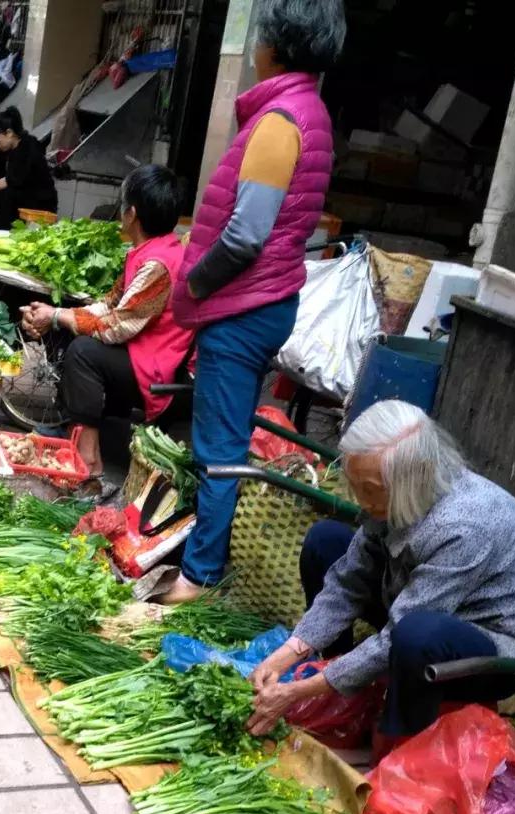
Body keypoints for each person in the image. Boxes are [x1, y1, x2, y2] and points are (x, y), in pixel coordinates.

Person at [161, 0, 345, 603]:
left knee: (219, 445)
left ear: (273, 43)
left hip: (243, 307)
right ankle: (201, 551)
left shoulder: (278, 120)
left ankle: (200, 575)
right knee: (226, 434)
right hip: (267, 298)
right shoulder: (310, 111)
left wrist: (196, 282)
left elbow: (245, 234)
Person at [247, 402, 515, 749]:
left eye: (369, 488)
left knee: (415, 635)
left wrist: (295, 691)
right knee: (326, 543)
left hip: (493, 645)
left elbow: (399, 632)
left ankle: (401, 742)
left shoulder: (465, 525)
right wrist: (290, 652)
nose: (360, 499)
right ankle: (341, 683)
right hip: (419, 602)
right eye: (356, 484)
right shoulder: (396, 497)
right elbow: (349, 580)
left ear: (410, 481)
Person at [20, 165, 193, 476]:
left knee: (84, 351)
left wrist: (58, 316)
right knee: (70, 329)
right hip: (142, 353)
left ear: (132, 214)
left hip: (158, 369)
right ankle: (78, 431)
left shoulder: (158, 264)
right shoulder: (150, 251)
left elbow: (115, 327)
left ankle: (88, 456)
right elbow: (109, 304)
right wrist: (53, 316)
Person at [0, 104, 56, 229]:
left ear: (9, 133)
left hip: (37, 200)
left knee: (7, 193)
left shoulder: (29, 147)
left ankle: (1, 232)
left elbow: (13, 180)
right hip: (19, 194)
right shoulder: (7, 147)